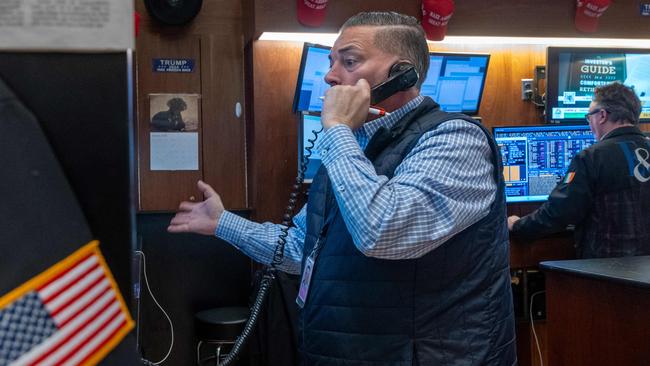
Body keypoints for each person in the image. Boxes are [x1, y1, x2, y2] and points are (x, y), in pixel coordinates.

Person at [169, 11, 516, 365]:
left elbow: (382, 231)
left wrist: (336, 129)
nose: (331, 75)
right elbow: (301, 248)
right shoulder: (352, 149)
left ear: (401, 75)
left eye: (349, 61)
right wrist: (223, 222)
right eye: (332, 61)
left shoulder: (455, 139)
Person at [508, 82, 650, 258]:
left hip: (607, 271)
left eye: (588, 116)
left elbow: (559, 212)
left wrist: (518, 225)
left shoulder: (592, 157)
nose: (589, 123)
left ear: (602, 116)